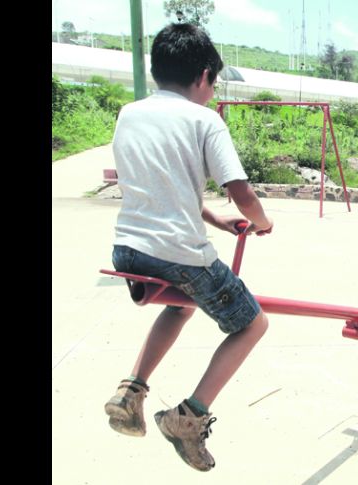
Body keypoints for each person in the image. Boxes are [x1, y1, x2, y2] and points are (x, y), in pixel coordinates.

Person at [103, 23, 273, 472]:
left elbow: (162, 189)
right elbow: (242, 192)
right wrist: (262, 222)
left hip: (128, 250)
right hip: (179, 255)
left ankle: (131, 391)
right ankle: (189, 417)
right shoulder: (205, 120)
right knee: (253, 324)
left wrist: (216, 220)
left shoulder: (129, 114)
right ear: (202, 76)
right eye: (213, 84)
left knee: (181, 307)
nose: (212, 94)